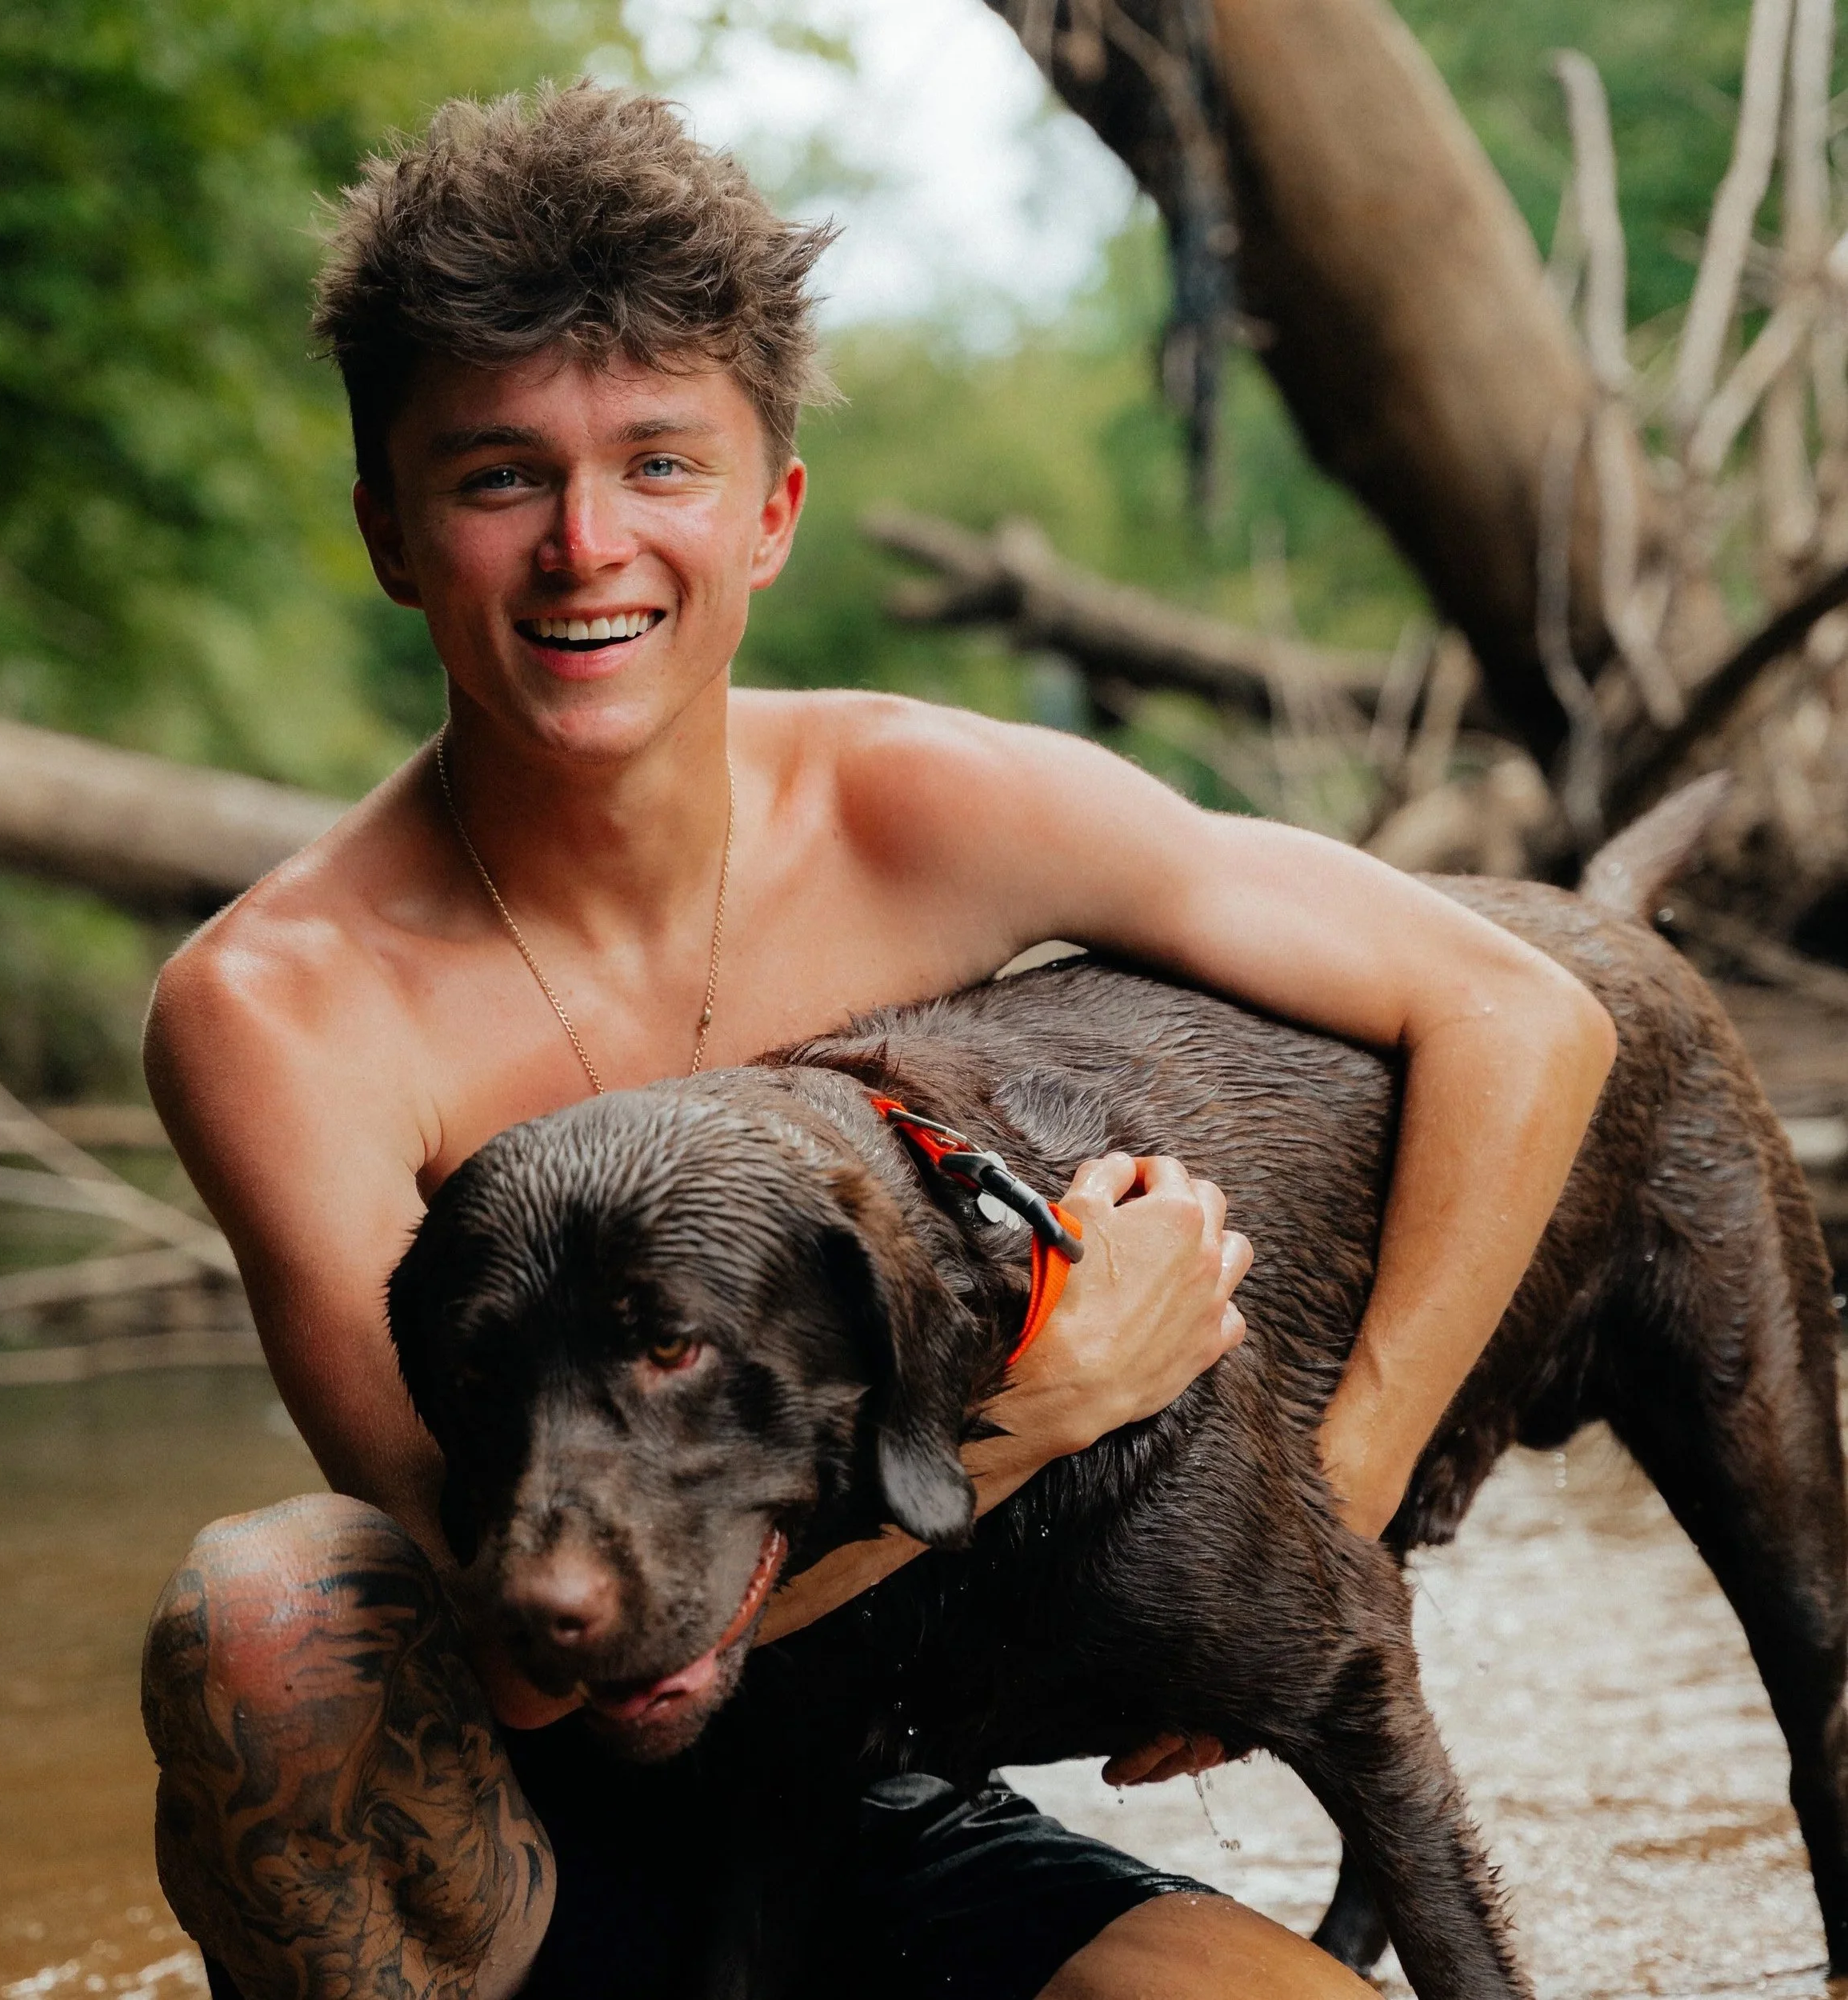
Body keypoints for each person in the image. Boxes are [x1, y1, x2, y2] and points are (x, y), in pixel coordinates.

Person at [138, 83, 1616, 2000]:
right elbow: (519, 1649)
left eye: (658, 463)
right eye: (498, 474)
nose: (587, 543)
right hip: (521, 1834)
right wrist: (1045, 1405)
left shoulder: (930, 806)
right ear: (390, 530)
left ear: (768, 515)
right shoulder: (280, 1007)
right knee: (264, 1616)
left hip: (862, 1773)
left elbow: (1518, 1012)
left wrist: (1333, 1509)